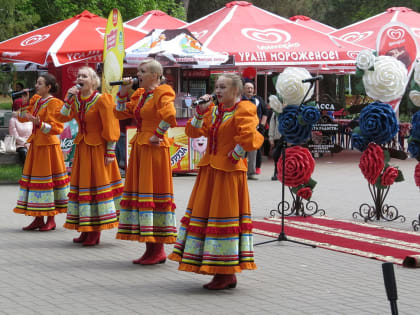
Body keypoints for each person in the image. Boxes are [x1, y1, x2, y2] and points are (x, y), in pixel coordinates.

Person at [169, 73, 264, 290]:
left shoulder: (244, 109)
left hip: (228, 173)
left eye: (223, 87)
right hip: (210, 171)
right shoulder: (214, 111)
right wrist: (201, 112)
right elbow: (192, 132)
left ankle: (226, 272)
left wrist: (237, 152)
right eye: (217, 87)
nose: (218, 91)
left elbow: (252, 137)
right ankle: (218, 269)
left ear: (236, 91)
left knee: (223, 217)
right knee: (208, 217)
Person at [114, 59, 177, 265]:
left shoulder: (163, 92)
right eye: (138, 71)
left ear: (155, 76)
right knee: (143, 193)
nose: (137, 74)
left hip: (154, 148)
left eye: (142, 71)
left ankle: (157, 249)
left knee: (153, 193)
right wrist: (123, 92)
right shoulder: (141, 95)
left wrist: (158, 134)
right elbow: (120, 112)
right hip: (142, 147)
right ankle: (150, 248)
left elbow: (169, 115)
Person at [57, 66, 123, 246]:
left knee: (95, 187)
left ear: (93, 81)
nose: (80, 78)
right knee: (83, 187)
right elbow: (61, 118)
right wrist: (67, 99)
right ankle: (85, 228)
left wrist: (110, 151)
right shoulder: (76, 100)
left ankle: (96, 231)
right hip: (83, 148)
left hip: (98, 149)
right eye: (78, 75)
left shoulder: (102, 100)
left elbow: (111, 126)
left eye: (84, 76)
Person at [13, 73, 69, 231]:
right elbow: (23, 118)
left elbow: (58, 127)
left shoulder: (55, 103)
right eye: (37, 83)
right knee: (37, 182)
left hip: (48, 147)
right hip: (37, 145)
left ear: (48, 87)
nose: (36, 86)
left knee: (48, 182)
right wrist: (24, 104)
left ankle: (50, 219)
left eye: (39, 83)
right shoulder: (35, 100)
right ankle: (38, 217)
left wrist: (41, 123)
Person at [243, 80, 267, 179]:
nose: (250, 89)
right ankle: (240, 171)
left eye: (251, 88)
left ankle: (251, 173)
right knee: (240, 151)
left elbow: (265, 113)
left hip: (255, 129)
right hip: (242, 129)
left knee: (253, 151)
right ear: (243, 89)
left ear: (254, 90)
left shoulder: (258, 100)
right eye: (248, 88)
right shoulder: (239, 100)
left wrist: (262, 125)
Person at [268, 111, 283, 180]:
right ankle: (276, 172)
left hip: (288, 138)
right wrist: (271, 138)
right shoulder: (276, 112)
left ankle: (286, 173)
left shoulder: (291, 110)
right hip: (277, 138)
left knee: (287, 156)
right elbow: (272, 125)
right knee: (276, 156)